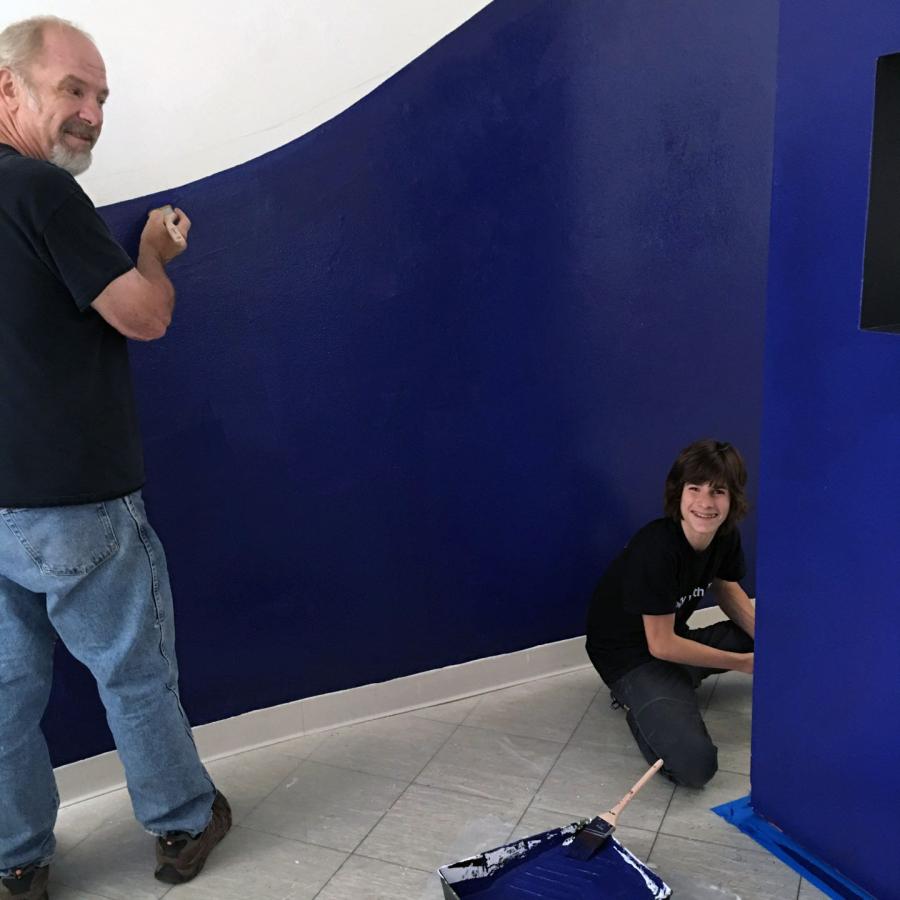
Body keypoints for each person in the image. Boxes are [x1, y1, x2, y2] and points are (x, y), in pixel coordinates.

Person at [0, 16, 230, 900]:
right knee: (134, 675)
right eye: (73, 89)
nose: (92, 112)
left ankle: (17, 860)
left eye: (101, 96)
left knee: (4, 698)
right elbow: (143, 316)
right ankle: (183, 822)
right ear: (9, 90)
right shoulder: (42, 192)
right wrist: (153, 255)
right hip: (75, 501)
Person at [585, 439, 755, 789]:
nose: (705, 503)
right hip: (633, 660)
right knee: (695, 766)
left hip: (675, 639)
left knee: (773, 637)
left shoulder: (724, 536)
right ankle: (641, 704)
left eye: (718, 491)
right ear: (679, 493)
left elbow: (726, 587)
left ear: (732, 498)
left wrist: (768, 643)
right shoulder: (657, 549)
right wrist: (744, 663)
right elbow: (660, 645)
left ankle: (679, 679)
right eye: (695, 489)